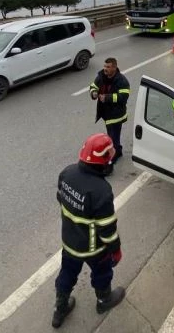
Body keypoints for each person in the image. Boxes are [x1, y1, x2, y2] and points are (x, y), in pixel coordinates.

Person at [51, 134, 125, 328]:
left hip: (69, 242)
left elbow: (61, 199)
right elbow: (107, 228)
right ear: (103, 162)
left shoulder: (66, 173)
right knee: (102, 273)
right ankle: (104, 301)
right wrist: (115, 249)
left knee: (67, 272)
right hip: (94, 249)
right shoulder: (101, 191)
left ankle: (60, 308)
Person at [89, 58, 130, 165]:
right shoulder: (101, 76)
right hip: (106, 114)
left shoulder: (122, 81)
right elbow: (94, 86)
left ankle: (113, 157)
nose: (105, 69)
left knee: (112, 137)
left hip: (116, 115)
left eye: (108, 67)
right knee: (112, 135)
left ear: (114, 68)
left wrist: (107, 98)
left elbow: (123, 97)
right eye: (105, 66)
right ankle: (118, 151)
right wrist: (93, 92)